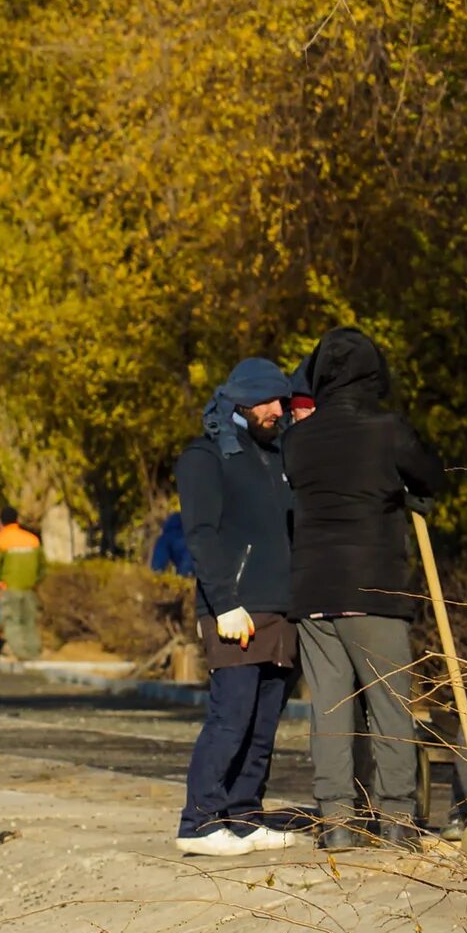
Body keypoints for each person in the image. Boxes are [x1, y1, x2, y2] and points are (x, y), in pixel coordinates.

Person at [284, 326, 449, 849]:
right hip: (374, 589)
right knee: (388, 707)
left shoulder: (297, 439)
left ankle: (336, 821)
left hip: (313, 592)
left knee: (330, 711)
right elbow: (430, 476)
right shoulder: (386, 429)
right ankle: (396, 816)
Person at [173, 357, 302, 855]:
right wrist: (224, 602)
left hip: (280, 607)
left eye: (283, 400)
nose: (278, 410)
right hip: (234, 610)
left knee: (264, 720)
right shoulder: (205, 457)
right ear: (241, 401)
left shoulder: (277, 454)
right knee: (233, 714)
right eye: (268, 401)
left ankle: (244, 814)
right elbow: (201, 535)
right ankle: (198, 821)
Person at [0, 509, 46, 662]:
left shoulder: (1, 540)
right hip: (29, 589)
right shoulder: (32, 539)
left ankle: (21, 654)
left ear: (0, 522)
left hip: (9, 589)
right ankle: (34, 652)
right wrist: (35, 582)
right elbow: (42, 567)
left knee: (12, 622)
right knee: (29, 622)